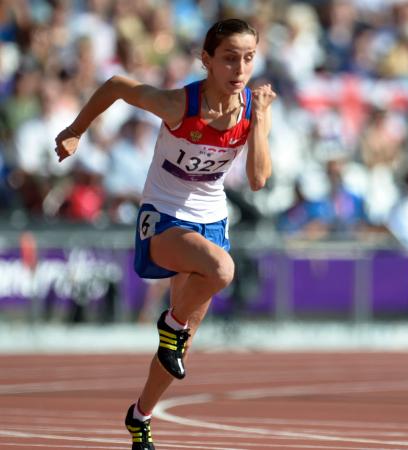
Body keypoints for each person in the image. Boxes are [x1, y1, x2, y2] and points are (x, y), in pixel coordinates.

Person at [53, 18, 275, 450]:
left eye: (248, 58)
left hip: (212, 220)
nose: (240, 69)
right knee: (222, 269)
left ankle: (140, 416)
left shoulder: (251, 109)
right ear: (207, 61)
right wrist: (76, 131)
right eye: (229, 58)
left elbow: (259, 179)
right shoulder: (179, 105)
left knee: (179, 353)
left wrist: (261, 121)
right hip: (165, 217)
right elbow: (117, 84)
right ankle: (170, 323)